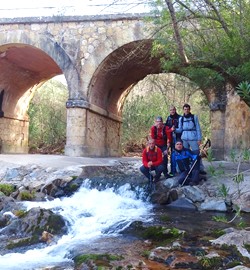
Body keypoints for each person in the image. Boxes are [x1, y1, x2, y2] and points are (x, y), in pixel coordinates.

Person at [175, 103, 206, 174]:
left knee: (197, 153)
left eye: (187, 109)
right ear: (183, 110)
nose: (186, 111)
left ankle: (200, 168)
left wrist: (199, 138)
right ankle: (185, 169)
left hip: (193, 138)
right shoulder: (181, 119)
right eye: (185, 109)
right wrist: (174, 130)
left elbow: (198, 128)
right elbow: (180, 129)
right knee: (184, 154)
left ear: (189, 110)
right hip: (184, 138)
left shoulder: (194, 117)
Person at [165, 106, 182, 175]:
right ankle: (173, 171)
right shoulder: (168, 118)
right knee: (173, 154)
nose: (172, 111)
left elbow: (181, 128)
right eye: (171, 110)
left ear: (175, 110)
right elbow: (166, 128)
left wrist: (175, 129)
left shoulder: (180, 117)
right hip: (171, 139)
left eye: (173, 110)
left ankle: (181, 170)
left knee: (180, 154)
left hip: (179, 138)